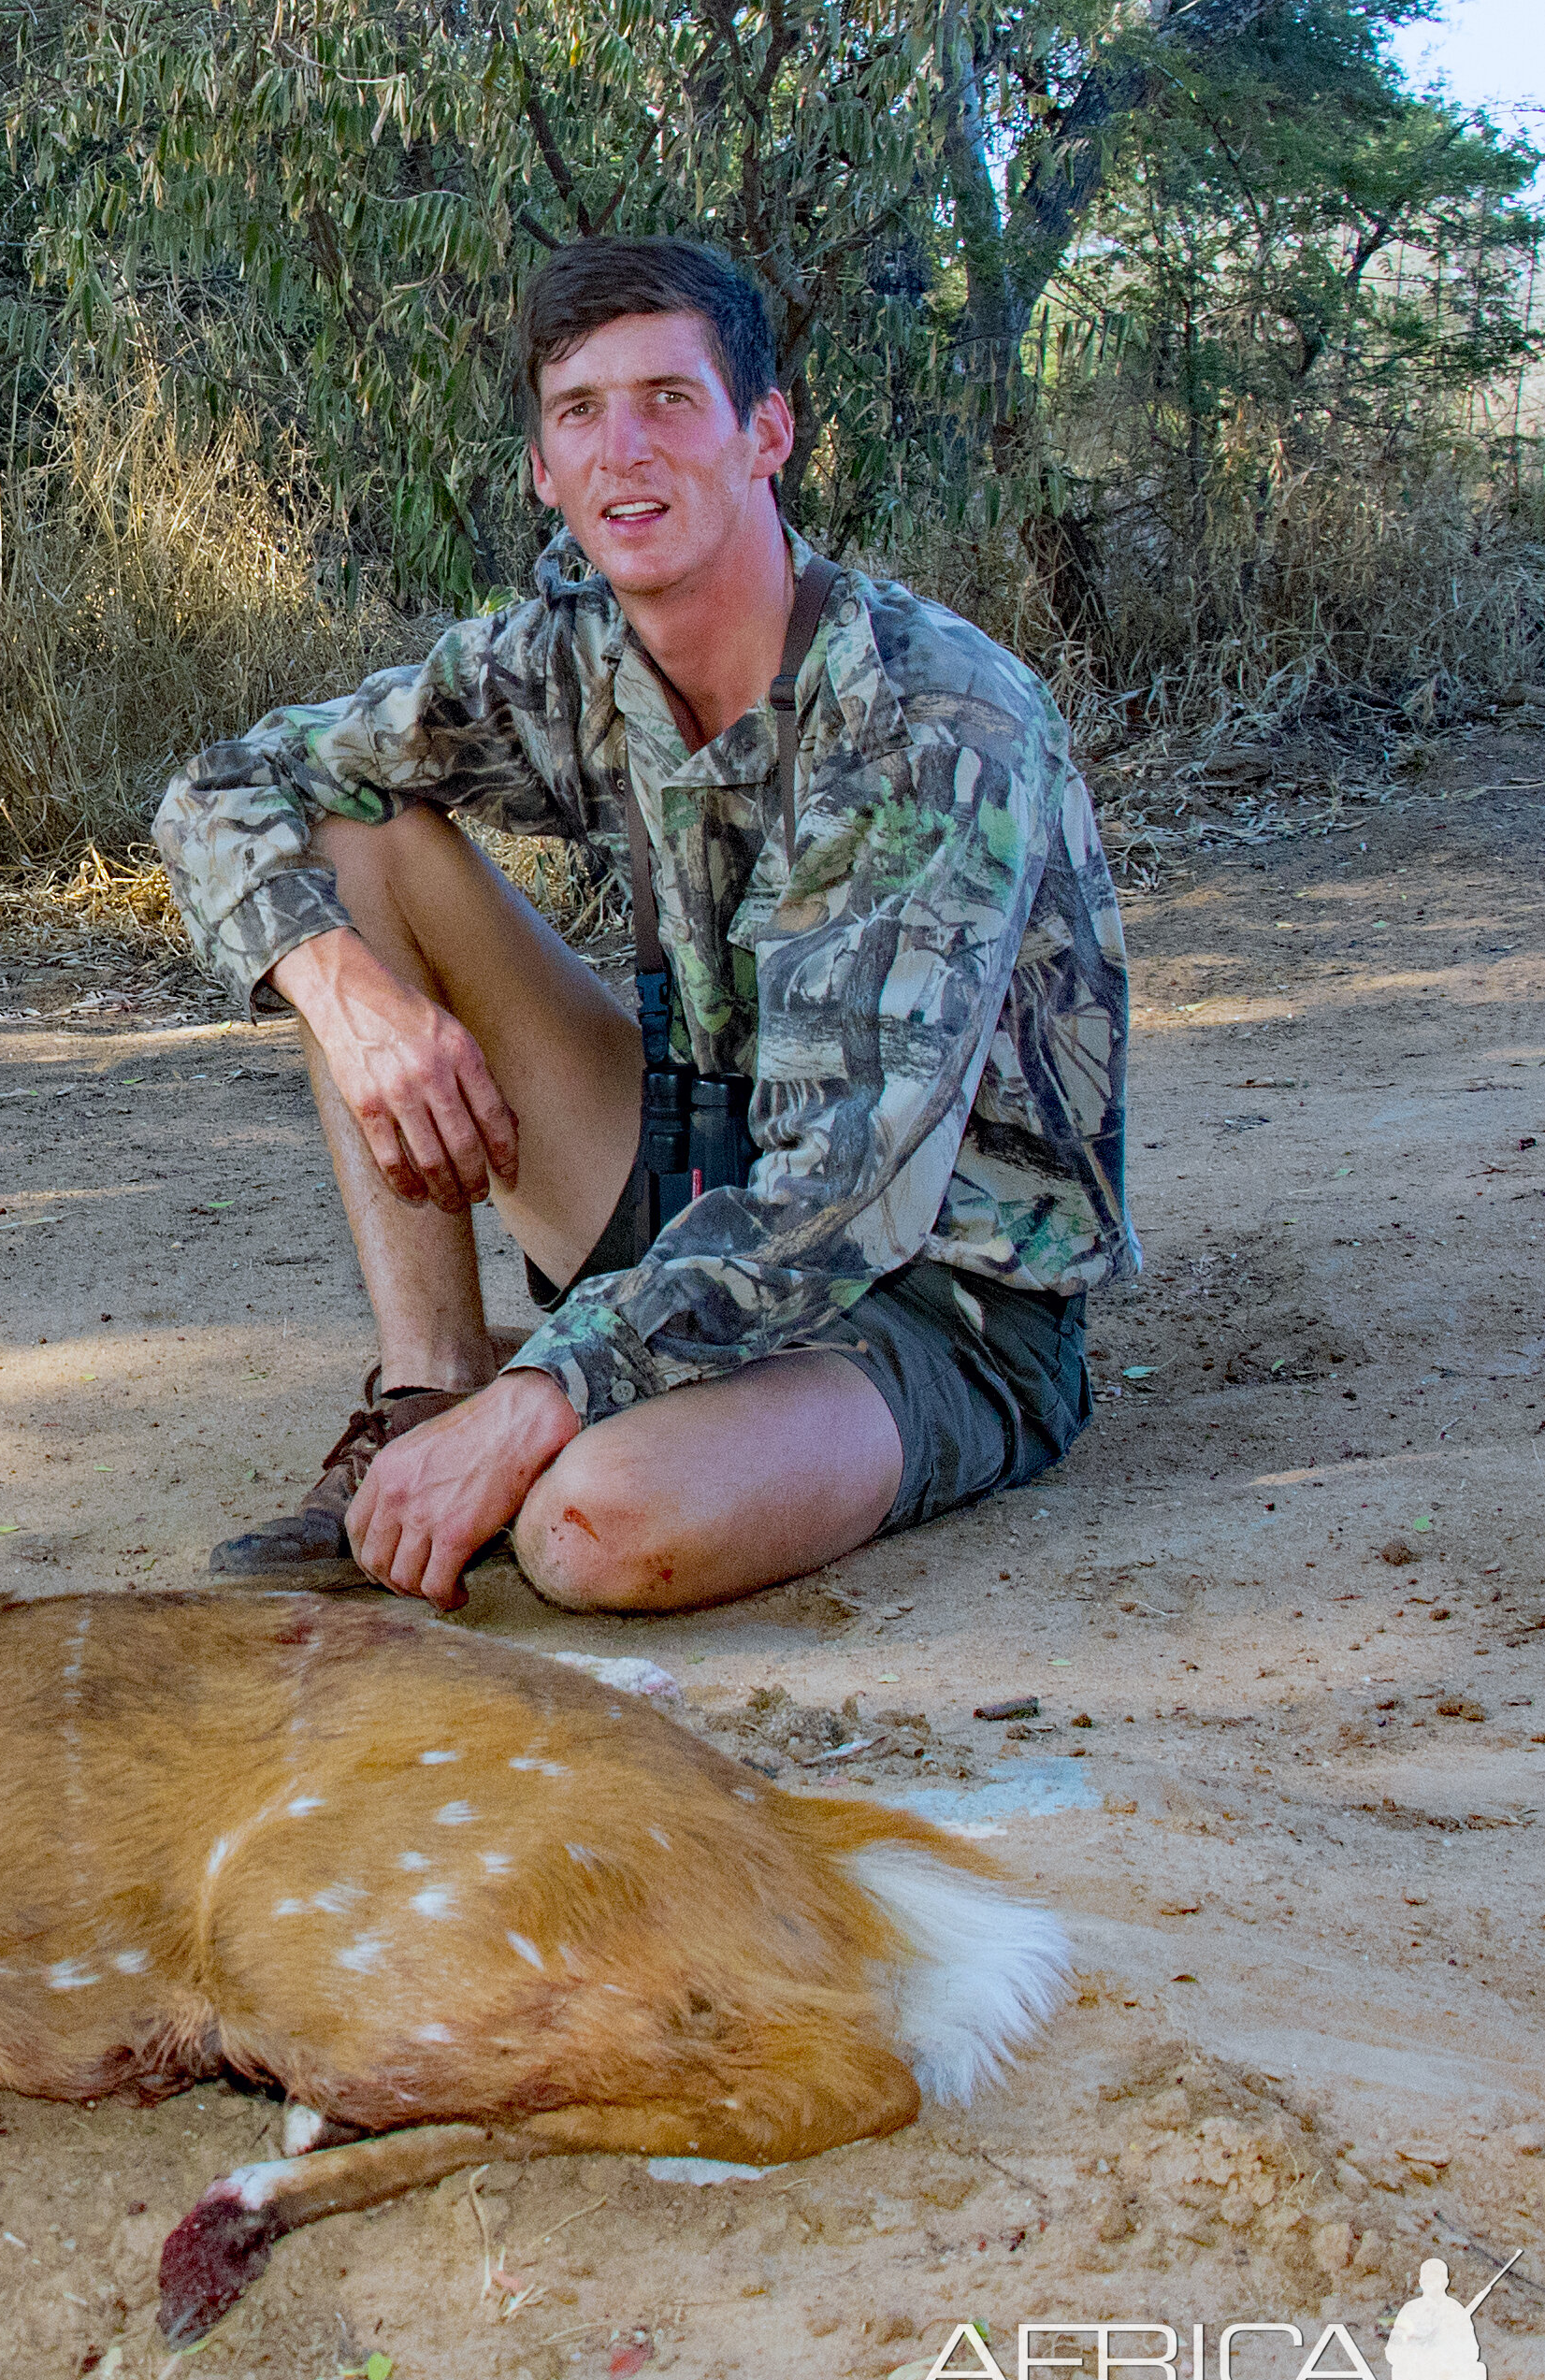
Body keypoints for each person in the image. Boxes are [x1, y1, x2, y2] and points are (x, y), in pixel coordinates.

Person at [156, 236, 1137, 1615]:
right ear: (542, 475)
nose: (627, 450)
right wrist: (344, 993)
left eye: (670, 400)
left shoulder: (927, 718)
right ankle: (431, 1389)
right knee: (352, 830)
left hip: (924, 1290)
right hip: (686, 1199)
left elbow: (846, 1188)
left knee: (591, 1534)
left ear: (765, 436)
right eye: (580, 413)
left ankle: (545, 1401)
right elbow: (224, 785)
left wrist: (553, 1390)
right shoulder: (566, 659)